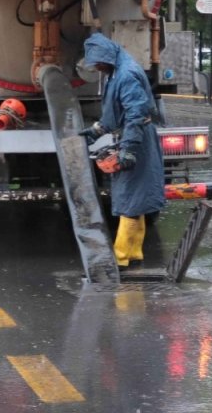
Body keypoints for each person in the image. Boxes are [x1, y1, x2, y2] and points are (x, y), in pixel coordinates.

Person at [79, 33, 165, 268]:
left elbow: (135, 114)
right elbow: (117, 112)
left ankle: (121, 258)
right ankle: (134, 254)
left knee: (130, 198)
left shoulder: (125, 75)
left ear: (106, 57)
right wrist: (97, 130)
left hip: (136, 138)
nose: (95, 67)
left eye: (97, 62)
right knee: (137, 199)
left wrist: (128, 149)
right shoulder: (116, 71)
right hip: (134, 136)